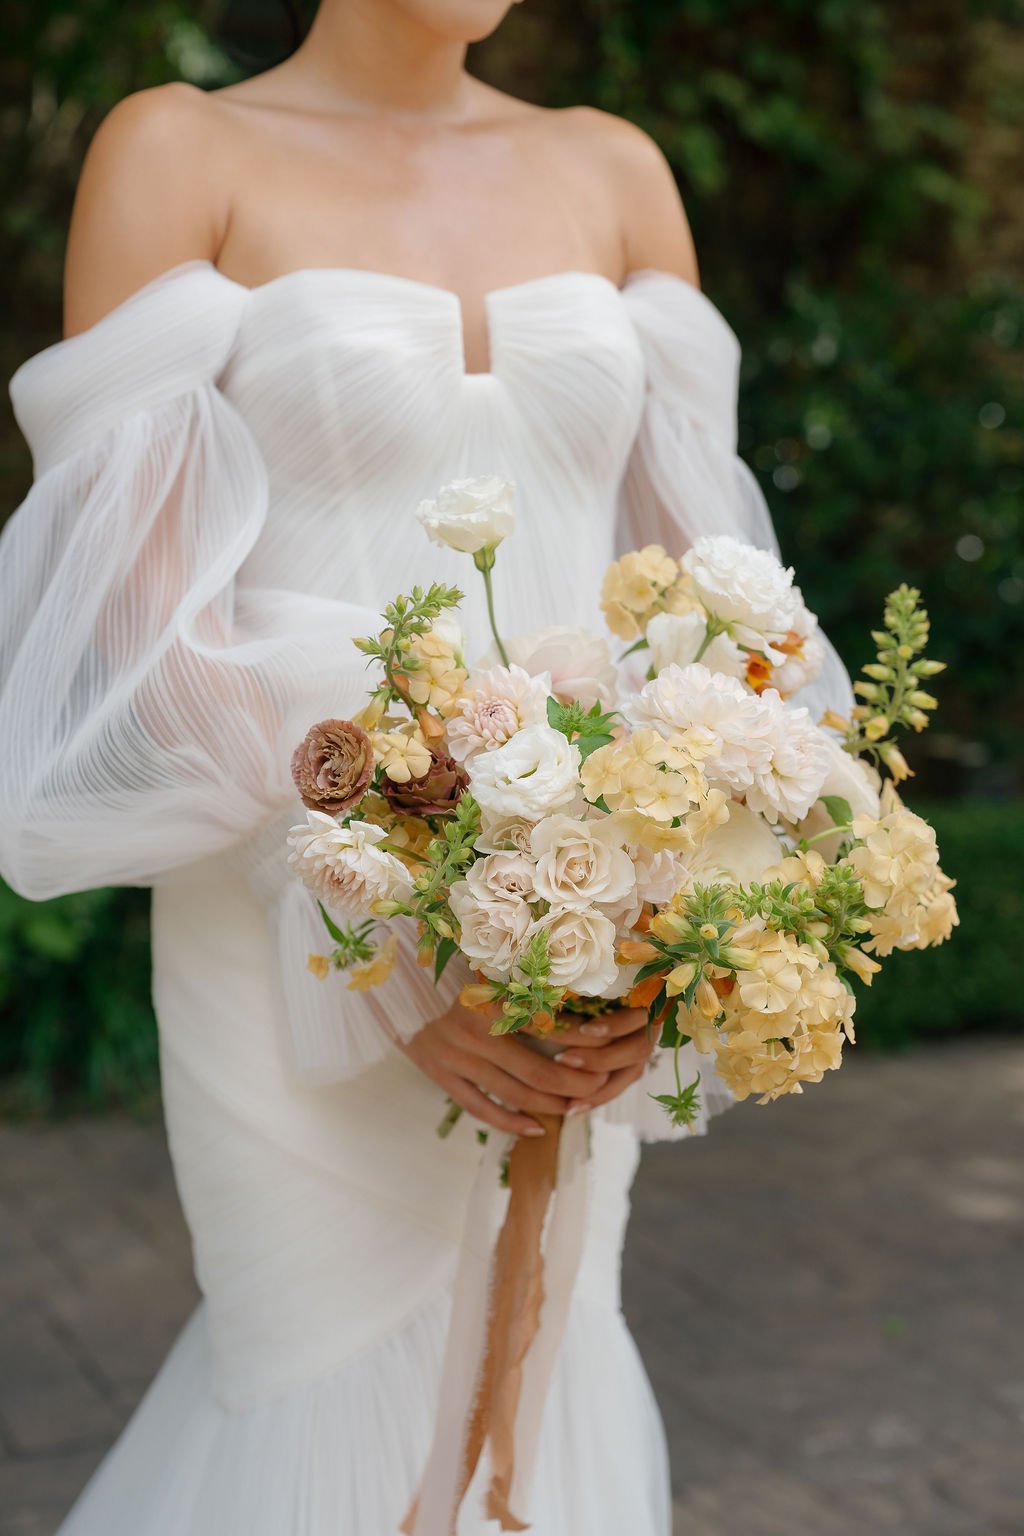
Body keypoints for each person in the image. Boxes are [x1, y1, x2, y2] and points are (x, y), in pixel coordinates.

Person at [0, 2, 853, 1531]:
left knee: (541, 1350)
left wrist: (660, 914)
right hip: (285, 897)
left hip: (571, 907)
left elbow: (704, 606)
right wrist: (382, 939)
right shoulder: (179, 150)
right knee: (313, 1371)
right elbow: (142, 616)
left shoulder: (615, 171)